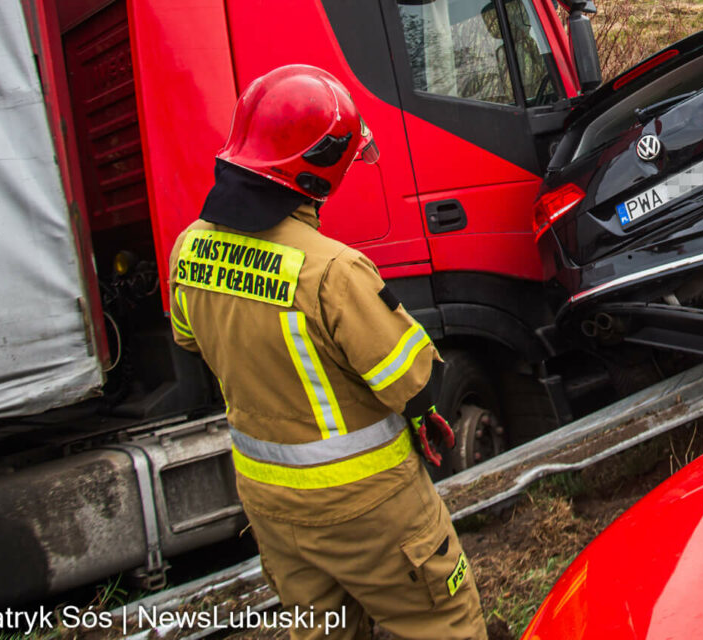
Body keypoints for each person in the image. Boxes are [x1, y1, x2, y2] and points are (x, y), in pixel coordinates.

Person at [169, 65, 486, 640]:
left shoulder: (188, 249)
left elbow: (191, 341)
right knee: (446, 624)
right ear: (320, 171)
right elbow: (413, 382)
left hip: (269, 504)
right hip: (368, 507)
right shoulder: (331, 270)